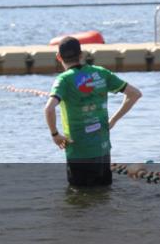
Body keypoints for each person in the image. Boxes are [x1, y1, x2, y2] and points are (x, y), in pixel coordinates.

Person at [43, 37, 142, 187]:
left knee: (79, 197)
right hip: (102, 148)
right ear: (81, 54)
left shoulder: (63, 80)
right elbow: (135, 94)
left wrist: (55, 134)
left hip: (78, 151)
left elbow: (49, 109)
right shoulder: (101, 73)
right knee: (103, 193)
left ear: (59, 57)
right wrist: (113, 120)